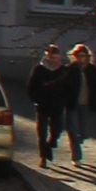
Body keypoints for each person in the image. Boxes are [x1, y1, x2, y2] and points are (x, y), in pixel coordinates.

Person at [30, 41, 70, 171]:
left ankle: (50, 144)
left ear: (59, 57)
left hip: (57, 106)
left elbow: (68, 88)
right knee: (42, 132)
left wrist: (65, 100)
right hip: (42, 105)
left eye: (54, 57)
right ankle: (43, 157)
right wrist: (36, 99)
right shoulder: (39, 69)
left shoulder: (63, 71)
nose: (51, 59)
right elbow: (31, 87)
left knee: (57, 130)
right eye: (49, 57)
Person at [65, 40, 96, 165]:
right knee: (72, 129)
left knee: (83, 132)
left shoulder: (92, 70)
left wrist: (94, 101)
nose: (80, 59)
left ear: (87, 57)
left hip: (85, 103)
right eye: (78, 56)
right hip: (72, 104)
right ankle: (76, 156)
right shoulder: (70, 69)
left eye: (83, 56)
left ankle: (79, 141)